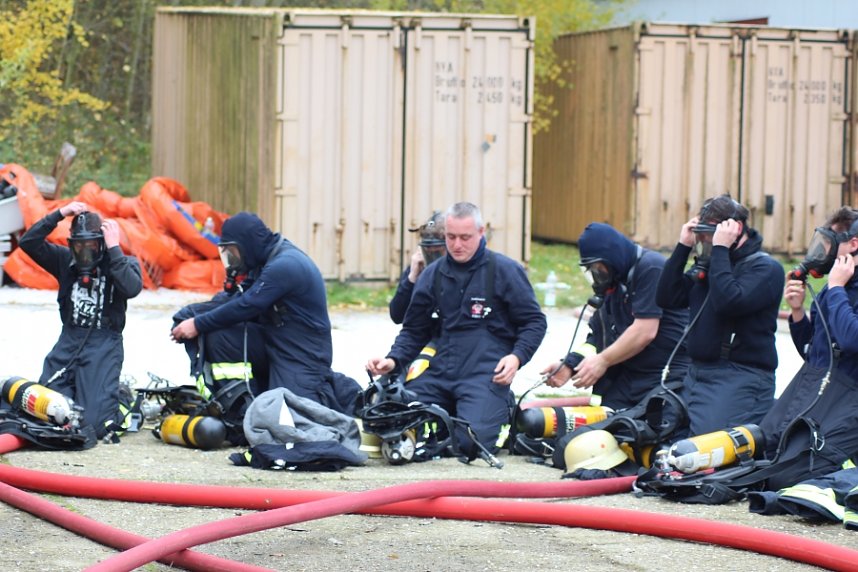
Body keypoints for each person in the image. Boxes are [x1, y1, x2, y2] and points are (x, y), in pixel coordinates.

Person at [366, 202, 547, 459]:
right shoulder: (432, 275)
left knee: (471, 446)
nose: (457, 245)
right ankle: (451, 412)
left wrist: (517, 357)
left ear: (481, 232)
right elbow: (413, 329)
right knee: (389, 414)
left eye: (465, 237)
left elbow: (534, 322)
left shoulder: (505, 271)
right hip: (442, 371)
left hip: (485, 373)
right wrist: (393, 360)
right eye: (451, 237)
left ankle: (496, 407)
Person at [171, 212, 360, 423]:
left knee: (292, 417)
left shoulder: (285, 265)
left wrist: (197, 323)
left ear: (247, 244)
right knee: (220, 335)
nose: (232, 259)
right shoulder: (262, 261)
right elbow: (233, 299)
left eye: (232, 252)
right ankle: (239, 411)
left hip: (302, 353)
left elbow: (248, 305)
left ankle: (348, 396)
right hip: (273, 340)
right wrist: (189, 316)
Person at [656, 194, 784, 436]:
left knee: (705, 450)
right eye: (702, 237)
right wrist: (684, 246)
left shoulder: (766, 269)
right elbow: (667, 298)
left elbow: (728, 302)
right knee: (660, 432)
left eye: (710, 237)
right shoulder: (713, 264)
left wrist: (721, 251)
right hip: (696, 374)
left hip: (739, 376)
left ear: (733, 231)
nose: (705, 243)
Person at [18, 201, 143, 438]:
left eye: (91, 246)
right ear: (71, 244)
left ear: (102, 244)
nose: (85, 252)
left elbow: (132, 287)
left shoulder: (119, 262)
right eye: (79, 246)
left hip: (104, 343)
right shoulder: (65, 261)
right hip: (69, 338)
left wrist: (114, 248)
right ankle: (86, 392)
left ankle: (121, 396)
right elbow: (28, 243)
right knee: (45, 410)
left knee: (94, 426)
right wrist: (59, 214)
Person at [541, 222, 690, 411]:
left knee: (637, 432)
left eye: (597, 267)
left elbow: (644, 332)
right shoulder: (614, 285)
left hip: (665, 377)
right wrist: (570, 365)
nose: (596, 275)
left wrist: (602, 361)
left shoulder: (651, 267)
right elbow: (598, 340)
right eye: (590, 270)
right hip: (629, 378)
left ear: (612, 257)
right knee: (595, 431)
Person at [763, 206, 858, 459]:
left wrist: (837, 287)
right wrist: (797, 313)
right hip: (813, 389)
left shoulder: (836, 289)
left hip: (846, 400)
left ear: (852, 244)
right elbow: (812, 351)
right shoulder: (830, 291)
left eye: (829, 243)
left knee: (793, 467)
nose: (823, 252)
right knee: (766, 446)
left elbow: (852, 340)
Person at [389, 211, 447, 324]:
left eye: (438, 252)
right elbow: (397, 316)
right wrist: (411, 279)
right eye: (428, 252)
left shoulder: (461, 270)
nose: (433, 259)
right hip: (422, 336)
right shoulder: (418, 268)